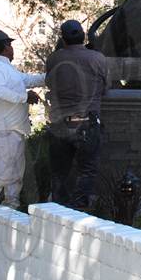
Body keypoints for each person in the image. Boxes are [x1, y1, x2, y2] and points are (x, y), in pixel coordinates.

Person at [0, 29, 45, 211]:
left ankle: (11, 206)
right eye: (10, 45)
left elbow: (29, 80)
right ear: (6, 47)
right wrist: (24, 97)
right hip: (4, 130)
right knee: (4, 172)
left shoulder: (6, 68)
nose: (12, 48)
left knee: (15, 173)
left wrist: (50, 77)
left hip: (14, 129)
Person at [45, 19, 108, 210]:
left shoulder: (53, 59)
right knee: (87, 171)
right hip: (87, 124)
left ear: (63, 40)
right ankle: (78, 212)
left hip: (59, 125)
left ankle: (57, 213)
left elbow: (49, 84)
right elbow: (106, 88)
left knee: (59, 173)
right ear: (83, 35)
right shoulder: (98, 59)